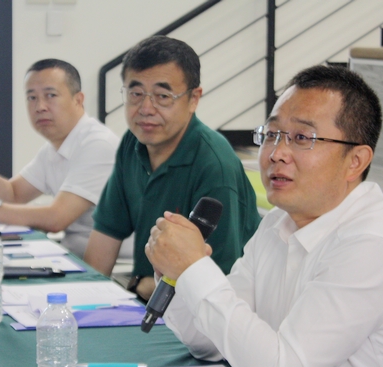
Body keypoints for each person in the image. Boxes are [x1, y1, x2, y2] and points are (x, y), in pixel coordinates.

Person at [145, 65, 383, 367]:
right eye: (272, 134)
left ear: (355, 161)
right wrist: (177, 273)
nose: (277, 153)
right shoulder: (279, 222)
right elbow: (209, 343)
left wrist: (195, 268)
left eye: (302, 138)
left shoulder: (372, 243)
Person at [83, 36, 260, 301]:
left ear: (193, 99)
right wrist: (85, 301)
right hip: (151, 301)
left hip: (207, 313)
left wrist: (142, 285)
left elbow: (218, 283)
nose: (145, 109)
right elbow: (105, 236)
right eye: (135, 94)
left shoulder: (214, 165)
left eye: (162, 96)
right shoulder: (133, 142)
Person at [0, 59, 120, 258]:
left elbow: (56, 219)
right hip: (72, 255)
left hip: (111, 267)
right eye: (32, 97)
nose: (40, 106)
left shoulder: (98, 144)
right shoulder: (54, 147)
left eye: (51, 95)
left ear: (78, 100)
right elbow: (14, 193)